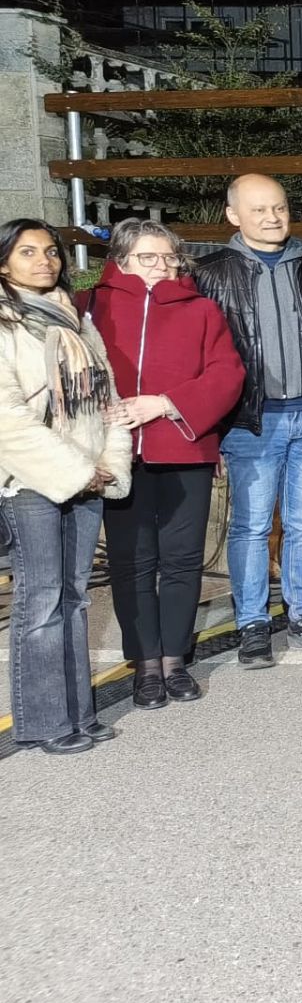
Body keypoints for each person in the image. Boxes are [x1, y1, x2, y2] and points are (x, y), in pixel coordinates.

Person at [83, 220, 244, 709]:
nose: (162, 266)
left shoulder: (202, 309)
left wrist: (165, 403)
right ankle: (145, 665)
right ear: (122, 261)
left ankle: (174, 659)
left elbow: (227, 373)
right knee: (131, 563)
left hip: (184, 447)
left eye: (169, 257)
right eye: (148, 257)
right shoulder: (88, 306)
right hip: (116, 453)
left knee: (182, 559)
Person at [193, 173, 302, 665]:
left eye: (278, 207)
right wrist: (208, 431)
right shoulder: (208, 274)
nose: (272, 217)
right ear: (233, 215)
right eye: (258, 209)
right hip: (249, 423)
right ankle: (253, 624)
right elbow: (199, 361)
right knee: (251, 526)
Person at [0, 220, 131, 754]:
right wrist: (77, 469)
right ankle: (46, 721)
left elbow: (108, 401)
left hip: (88, 476)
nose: (44, 261)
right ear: (4, 262)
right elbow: (8, 417)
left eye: (51, 251)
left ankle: (78, 712)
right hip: (32, 479)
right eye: (27, 252)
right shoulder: (5, 323)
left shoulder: (76, 320)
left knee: (76, 598)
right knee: (42, 599)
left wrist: (109, 461)